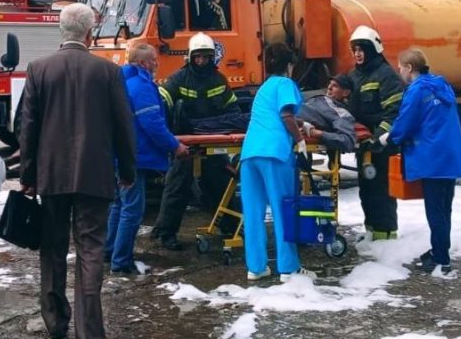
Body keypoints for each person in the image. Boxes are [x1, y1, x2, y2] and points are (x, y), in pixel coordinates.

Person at [18, 3, 136, 339]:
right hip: (94, 175)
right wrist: (128, 171)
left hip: (52, 176)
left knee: (52, 248)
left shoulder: (38, 69)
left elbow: (28, 127)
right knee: (91, 251)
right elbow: (124, 125)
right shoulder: (108, 72)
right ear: (89, 33)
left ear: (61, 30)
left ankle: (55, 323)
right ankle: (90, 337)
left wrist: (28, 175)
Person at [382, 49, 461, 276]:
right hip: (450, 156)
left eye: (400, 68)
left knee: (435, 211)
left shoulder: (417, 90)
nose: (399, 72)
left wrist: (390, 138)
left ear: (409, 68)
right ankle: (439, 250)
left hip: (433, 158)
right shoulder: (442, 85)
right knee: (444, 209)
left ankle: (441, 260)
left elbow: (406, 121)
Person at [150, 32, 240, 250]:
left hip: (213, 142)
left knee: (219, 182)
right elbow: (163, 103)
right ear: (190, 57)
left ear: (211, 57)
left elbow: (233, 109)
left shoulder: (219, 80)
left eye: (205, 57)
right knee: (177, 186)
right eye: (198, 57)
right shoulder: (179, 79)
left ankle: (231, 226)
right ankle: (166, 233)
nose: (201, 61)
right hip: (186, 143)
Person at [107, 42, 189, 275]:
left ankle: (109, 251)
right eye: (154, 60)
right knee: (132, 209)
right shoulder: (142, 86)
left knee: (118, 205)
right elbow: (152, 123)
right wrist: (175, 146)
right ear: (143, 63)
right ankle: (121, 262)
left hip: (119, 153)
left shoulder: (122, 81)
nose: (157, 63)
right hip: (136, 155)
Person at [240, 42, 316, 282]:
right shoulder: (285, 83)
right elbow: (285, 115)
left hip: (250, 154)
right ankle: (288, 268)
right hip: (274, 153)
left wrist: (302, 123)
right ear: (289, 65)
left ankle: (256, 268)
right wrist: (300, 139)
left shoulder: (264, 87)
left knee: (253, 212)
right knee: (283, 209)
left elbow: (275, 114)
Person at [347, 25, 405, 241]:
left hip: (382, 145)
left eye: (362, 49)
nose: (358, 53)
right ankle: (372, 231)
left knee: (382, 190)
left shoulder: (386, 75)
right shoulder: (354, 75)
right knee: (366, 189)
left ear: (373, 49)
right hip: (364, 144)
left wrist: (378, 137)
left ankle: (386, 236)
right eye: (355, 49)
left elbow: (394, 113)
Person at [299, 74, 358, 153]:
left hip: (290, 117)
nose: (329, 87)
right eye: (330, 84)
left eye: (335, 86)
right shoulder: (321, 99)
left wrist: (317, 133)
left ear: (345, 93)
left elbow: (347, 141)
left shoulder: (341, 113)